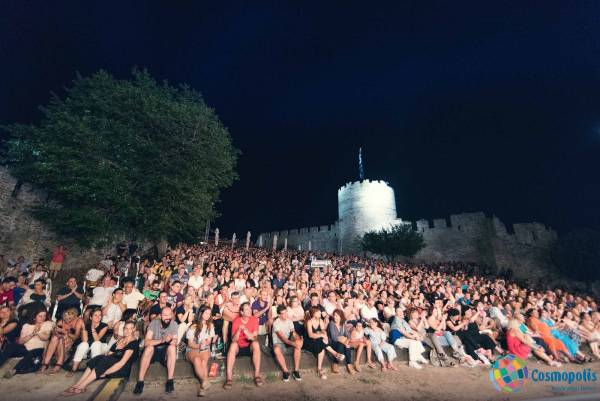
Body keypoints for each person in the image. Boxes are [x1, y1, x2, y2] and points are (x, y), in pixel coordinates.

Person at [63, 321, 139, 395]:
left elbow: (121, 363)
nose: (127, 331)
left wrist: (105, 372)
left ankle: (82, 386)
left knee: (104, 361)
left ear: (134, 329)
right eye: (125, 328)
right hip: (112, 362)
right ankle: (78, 384)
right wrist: (109, 353)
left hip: (123, 368)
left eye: (130, 328)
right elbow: (110, 353)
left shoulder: (133, 343)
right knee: (98, 358)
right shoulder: (121, 340)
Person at [133, 307, 178, 395]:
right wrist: (162, 340)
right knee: (149, 348)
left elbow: (175, 341)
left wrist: (171, 340)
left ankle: (170, 381)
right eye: (165, 315)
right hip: (153, 349)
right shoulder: (154, 323)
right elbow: (146, 342)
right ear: (160, 316)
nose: (167, 317)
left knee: (172, 348)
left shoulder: (174, 324)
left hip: (165, 352)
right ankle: (140, 382)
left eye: (169, 315)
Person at [1, 308, 54, 378]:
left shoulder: (48, 324)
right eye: (40, 316)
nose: (43, 318)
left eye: (44, 316)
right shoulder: (26, 326)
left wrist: (38, 332)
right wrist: (32, 334)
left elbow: (45, 337)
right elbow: (20, 341)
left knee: (32, 353)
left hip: (39, 349)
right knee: (11, 346)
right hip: (25, 347)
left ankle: (14, 370)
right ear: (34, 317)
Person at [223, 302, 263, 389]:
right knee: (233, 345)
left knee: (256, 344)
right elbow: (233, 340)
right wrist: (239, 330)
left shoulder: (254, 319)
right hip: (239, 347)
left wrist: (247, 333)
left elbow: (254, 337)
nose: (249, 311)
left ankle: (257, 375)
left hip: (249, 346)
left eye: (250, 308)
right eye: (247, 309)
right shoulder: (236, 321)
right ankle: (229, 378)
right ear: (242, 312)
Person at [303, 306, 345, 379]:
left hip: (318, 341)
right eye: (318, 312)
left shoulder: (320, 320)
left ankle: (319, 370)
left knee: (322, 347)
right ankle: (335, 354)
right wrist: (321, 335)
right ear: (313, 313)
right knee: (321, 342)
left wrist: (324, 335)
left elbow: (323, 331)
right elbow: (310, 335)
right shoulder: (309, 322)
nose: (320, 313)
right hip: (309, 342)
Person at [40, 307, 83, 374]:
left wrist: (65, 332)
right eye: (65, 317)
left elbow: (75, 337)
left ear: (75, 316)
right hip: (56, 346)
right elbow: (53, 334)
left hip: (67, 347)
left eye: (70, 318)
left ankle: (56, 364)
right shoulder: (61, 321)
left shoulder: (79, 321)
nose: (67, 319)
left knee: (60, 338)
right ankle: (46, 364)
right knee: (55, 338)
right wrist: (56, 331)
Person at [186, 306, 216, 397]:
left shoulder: (210, 325)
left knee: (203, 362)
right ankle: (205, 381)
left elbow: (209, 341)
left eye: (209, 313)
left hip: (205, 348)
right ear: (201, 313)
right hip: (192, 349)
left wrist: (205, 343)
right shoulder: (193, 326)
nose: (208, 315)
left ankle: (203, 386)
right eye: (206, 313)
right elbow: (190, 344)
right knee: (197, 360)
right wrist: (199, 345)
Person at [70, 308, 109, 375]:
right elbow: (85, 340)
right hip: (89, 346)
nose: (98, 317)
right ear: (91, 317)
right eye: (95, 315)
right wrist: (84, 329)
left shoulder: (104, 326)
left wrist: (93, 328)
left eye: (100, 315)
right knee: (83, 344)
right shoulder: (87, 326)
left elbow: (97, 339)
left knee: (96, 343)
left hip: (101, 346)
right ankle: (74, 369)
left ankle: (94, 369)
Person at [272, 304, 303, 381]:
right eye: (283, 313)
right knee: (276, 349)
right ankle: (285, 372)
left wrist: (298, 339)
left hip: (288, 343)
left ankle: (296, 371)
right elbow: (283, 339)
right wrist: (294, 344)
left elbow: (293, 333)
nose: (285, 314)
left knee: (298, 342)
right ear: (279, 315)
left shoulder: (289, 321)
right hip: (279, 344)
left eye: (286, 312)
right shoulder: (276, 323)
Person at [327, 308, 356, 374]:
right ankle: (336, 363)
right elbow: (334, 338)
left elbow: (348, 336)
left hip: (340, 343)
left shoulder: (343, 325)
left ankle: (348, 364)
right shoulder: (331, 323)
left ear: (341, 317)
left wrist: (346, 341)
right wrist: (343, 340)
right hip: (332, 344)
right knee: (342, 344)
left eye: (337, 316)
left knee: (346, 345)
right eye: (334, 315)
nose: (335, 317)